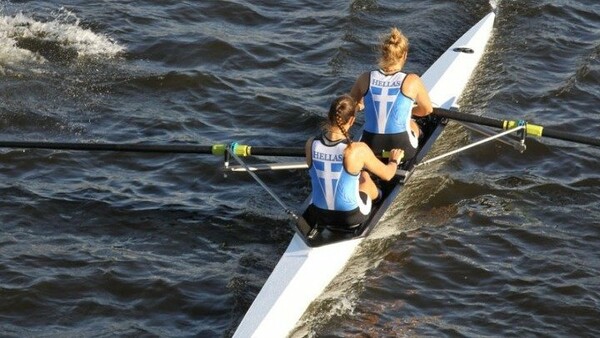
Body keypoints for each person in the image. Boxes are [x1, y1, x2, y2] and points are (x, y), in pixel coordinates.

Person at [304, 94, 404, 229]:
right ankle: (379, 198)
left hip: (318, 215)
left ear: (329, 116)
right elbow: (387, 175)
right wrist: (393, 160)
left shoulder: (310, 144)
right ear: (351, 120)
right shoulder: (357, 149)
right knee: (366, 178)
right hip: (350, 217)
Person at [350, 27, 433, 163]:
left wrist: (360, 105)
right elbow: (427, 110)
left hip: (370, 147)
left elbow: (351, 106)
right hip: (403, 149)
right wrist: (409, 111)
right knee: (413, 124)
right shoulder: (412, 80)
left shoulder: (364, 78)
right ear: (404, 55)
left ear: (382, 54)